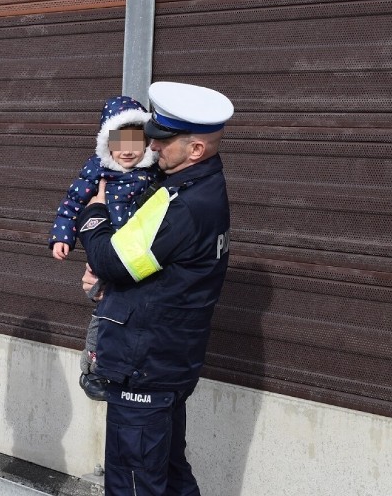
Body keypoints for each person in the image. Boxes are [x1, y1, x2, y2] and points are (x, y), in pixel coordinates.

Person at [76, 82, 234, 495]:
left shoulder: (182, 203)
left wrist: (92, 215)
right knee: (168, 474)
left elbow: (114, 258)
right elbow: (147, 265)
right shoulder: (202, 189)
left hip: (145, 366)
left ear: (196, 150)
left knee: (133, 480)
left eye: (163, 140)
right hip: (167, 362)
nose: (153, 146)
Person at [48, 95, 160, 400]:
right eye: (119, 141)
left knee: (134, 313)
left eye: (135, 142)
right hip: (105, 253)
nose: (126, 150)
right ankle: (93, 368)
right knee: (105, 312)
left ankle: (129, 367)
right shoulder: (98, 167)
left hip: (137, 256)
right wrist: (62, 237)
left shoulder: (154, 172)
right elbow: (72, 203)